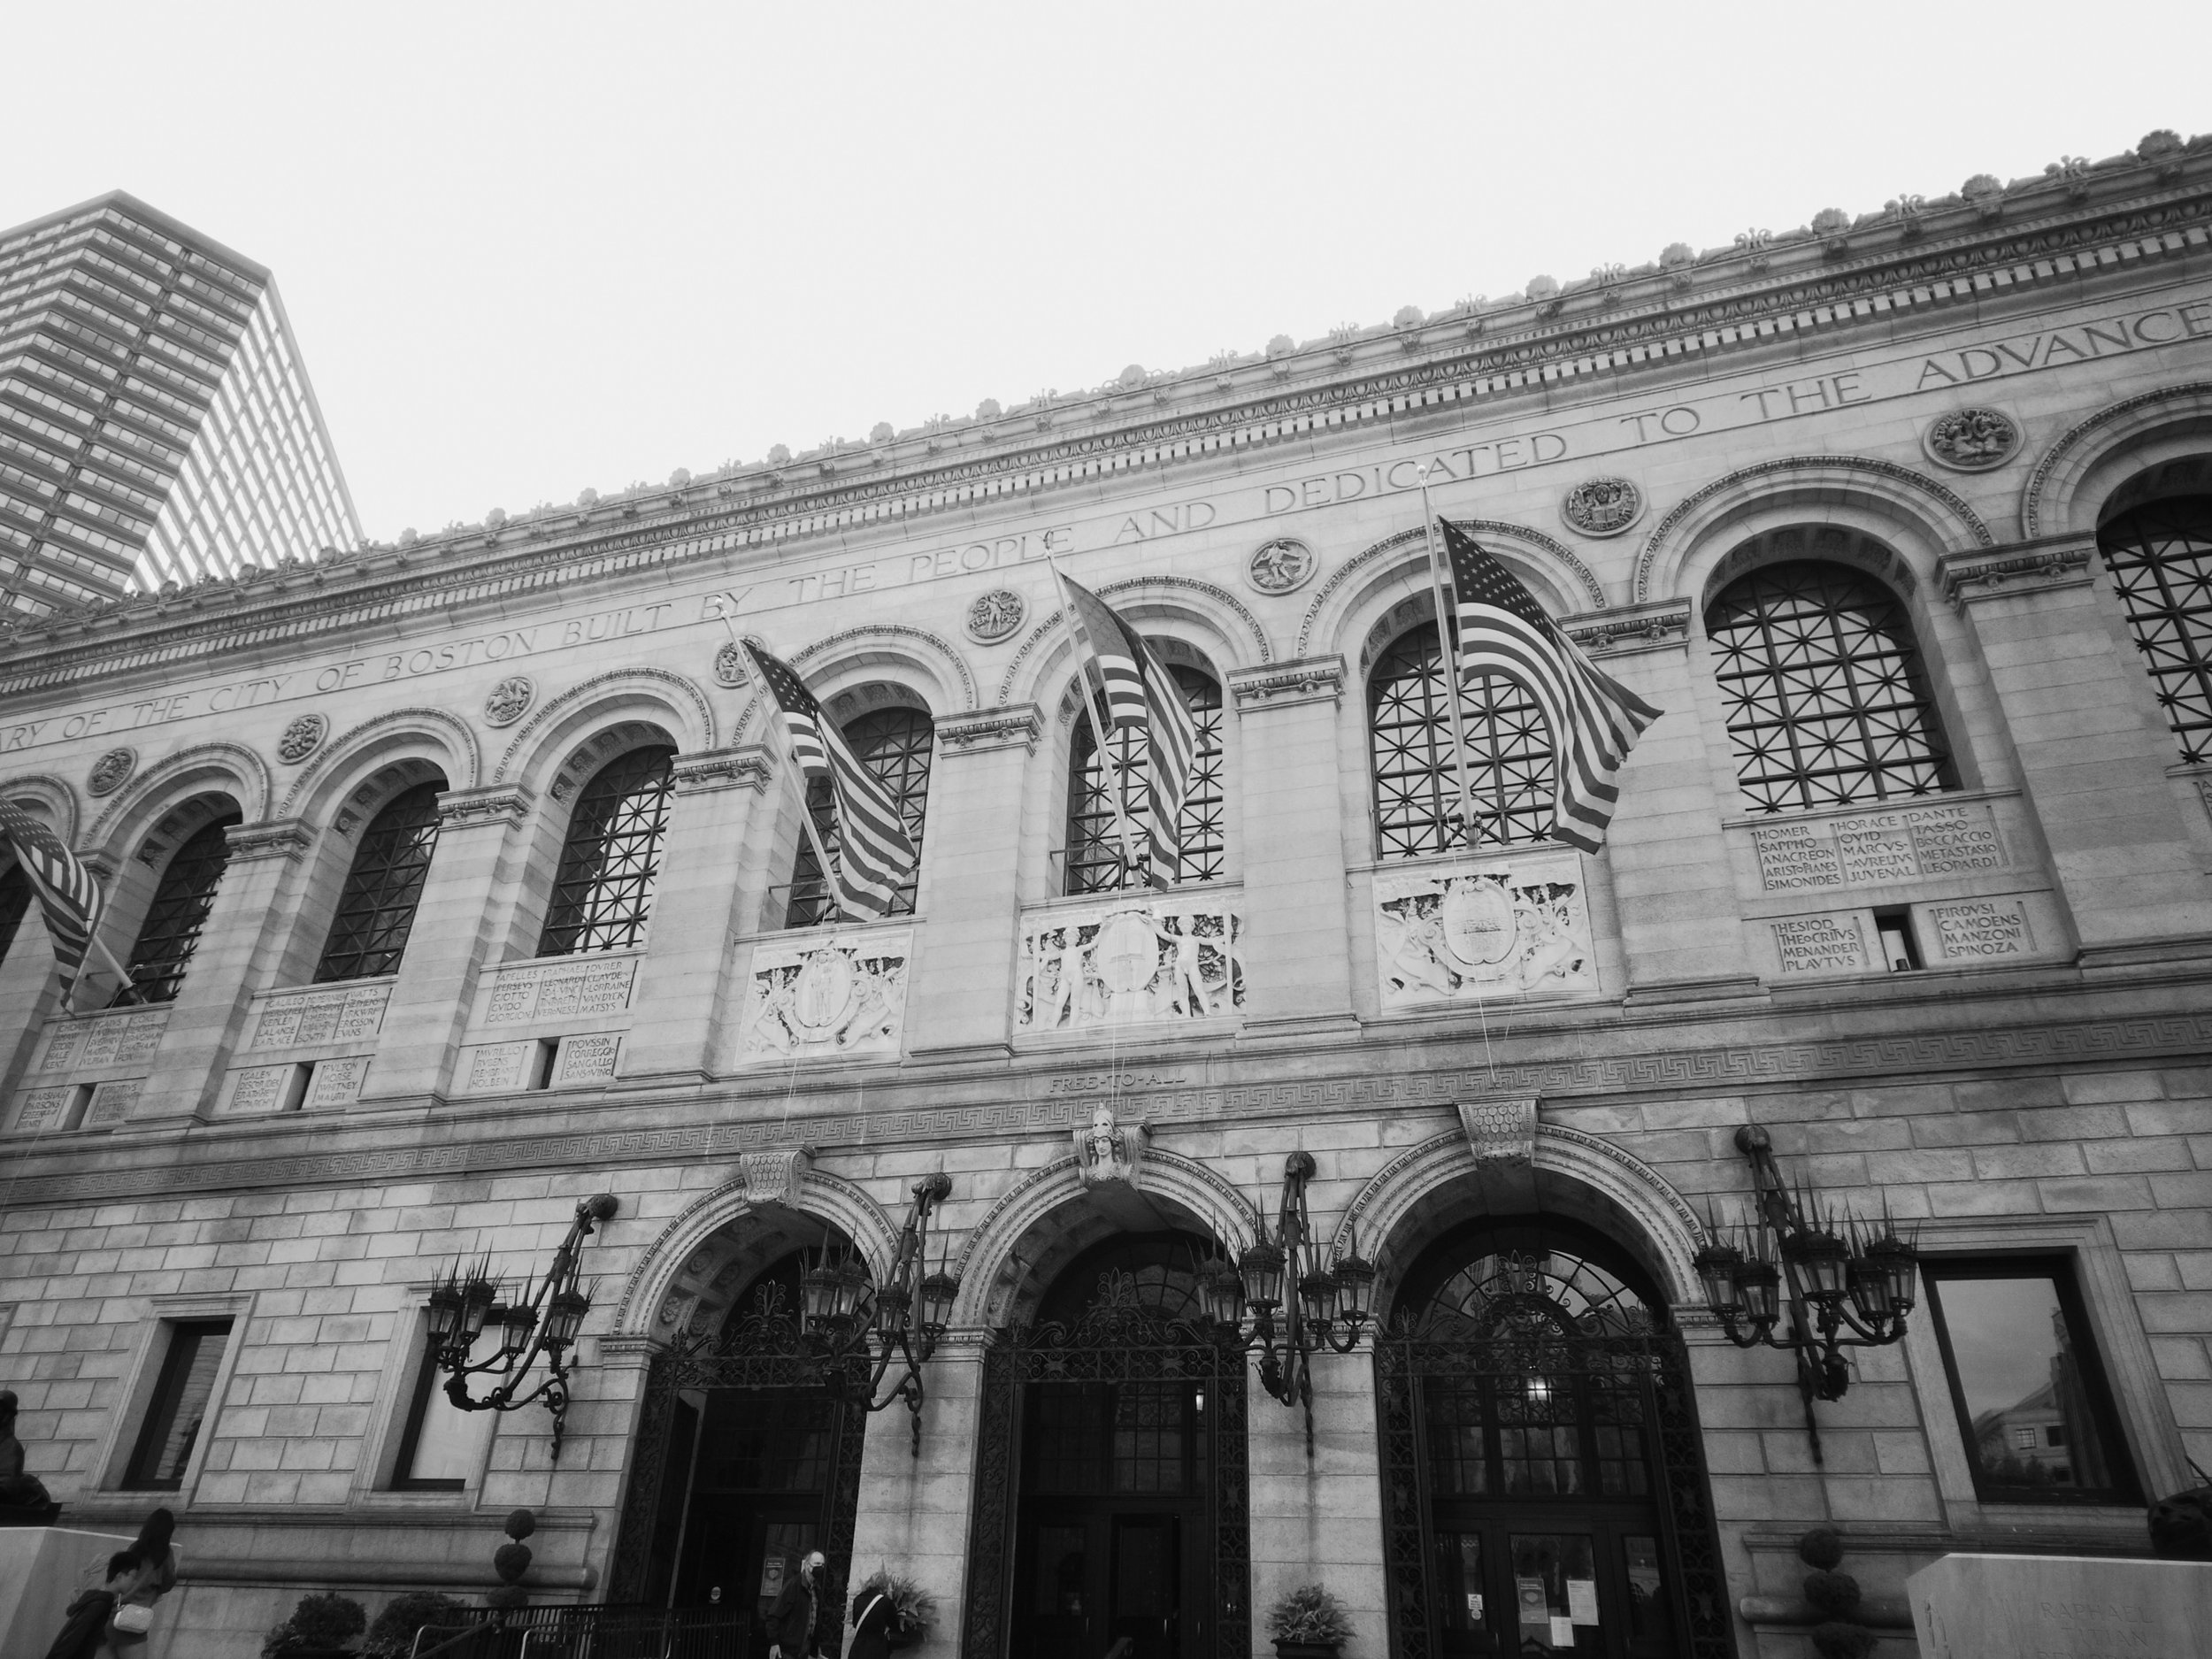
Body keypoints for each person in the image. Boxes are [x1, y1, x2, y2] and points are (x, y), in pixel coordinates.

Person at [764, 1549, 824, 1659]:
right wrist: (774, 1643)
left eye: (822, 1565)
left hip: (804, 1648)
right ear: (807, 1565)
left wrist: (815, 1649)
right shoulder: (794, 1585)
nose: (820, 1567)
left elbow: (814, 1622)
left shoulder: (816, 1590)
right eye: (817, 1564)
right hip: (788, 1650)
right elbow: (774, 1614)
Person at [846, 1583, 903, 1659]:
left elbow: (855, 1624)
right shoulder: (885, 1601)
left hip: (858, 1649)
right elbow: (894, 1624)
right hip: (877, 1649)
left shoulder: (857, 1600)